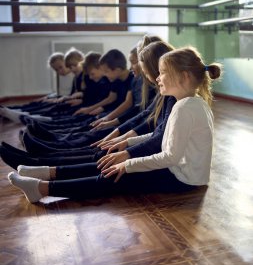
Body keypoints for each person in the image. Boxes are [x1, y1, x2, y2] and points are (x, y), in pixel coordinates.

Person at [6, 45, 222, 203]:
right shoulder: (188, 104)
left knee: (114, 176)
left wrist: (127, 164)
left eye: (163, 72)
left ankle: (42, 188)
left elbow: (169, 156)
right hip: (180, 173)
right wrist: (127, 144)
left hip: (182, 179)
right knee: (110, 166)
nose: (157, 78)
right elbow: (162, 136)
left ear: (183, 77)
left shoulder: (185, 108)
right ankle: (45, 173)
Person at [0, 41, 174, 168]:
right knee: (90, 134)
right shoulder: (148, 85)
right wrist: (116, 128)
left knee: (94, 145)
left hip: (135, 131)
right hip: (130, 127)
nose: (132, 67)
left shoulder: (164, 92)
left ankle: (45, 156)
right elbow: (142, 113)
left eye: (136, 63)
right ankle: (49, 148)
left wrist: (119, 132)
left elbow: (145, 119)